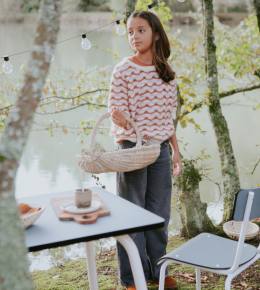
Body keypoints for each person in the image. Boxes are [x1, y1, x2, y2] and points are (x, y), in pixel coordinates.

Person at [108, 10, 182, 290]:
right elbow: (116, 110)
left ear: (156, 34)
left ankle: (157, 273)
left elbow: (168, 118)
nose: (134, 36)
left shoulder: (167, 73)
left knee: (159, 216)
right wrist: (119, 119)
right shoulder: (123, 70)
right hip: (131, 149)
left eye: (141, 30)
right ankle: (132, 278)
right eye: (130, 32)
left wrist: (175, 150)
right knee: (131, 215)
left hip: (161, 151)